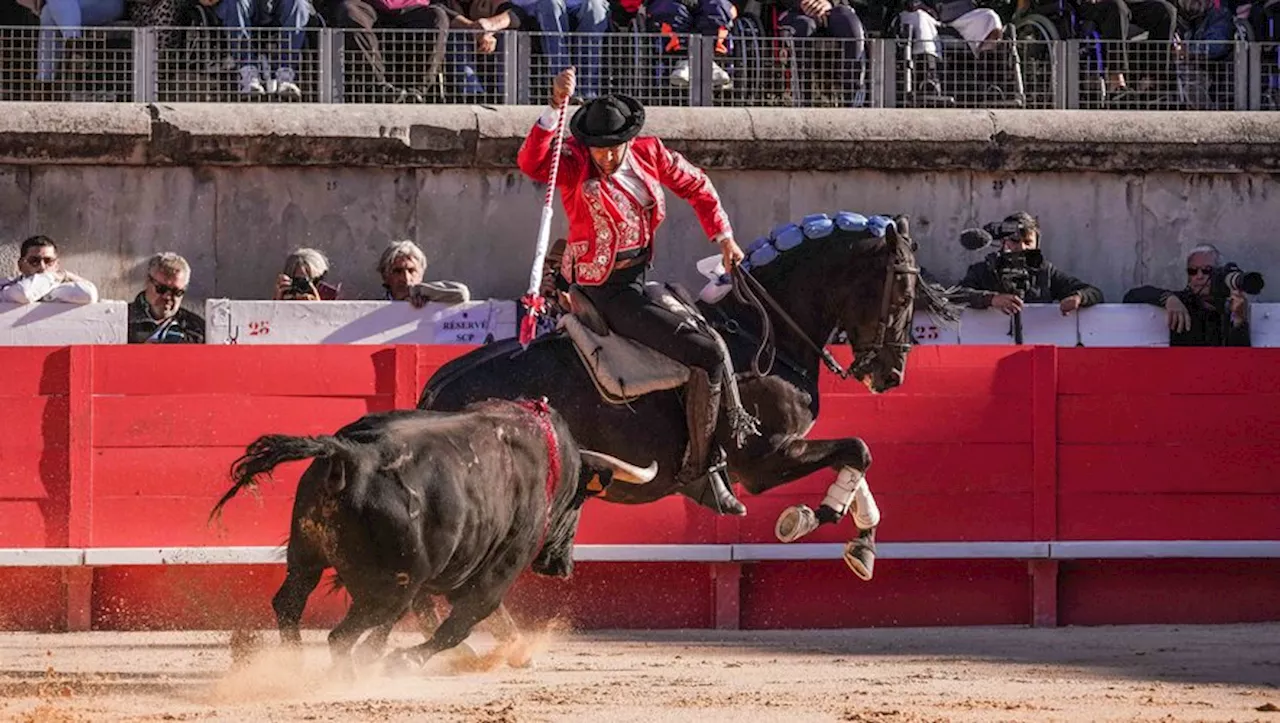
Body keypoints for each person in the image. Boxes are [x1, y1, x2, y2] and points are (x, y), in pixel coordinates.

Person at [516, 66, 760, 516]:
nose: (605, 159)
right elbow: (532, 163)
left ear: (629, 139)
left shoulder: (650, 153)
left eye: (612, 149)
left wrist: (723, 237)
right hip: (604, 289)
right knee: (707, 354)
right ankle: (700, 471)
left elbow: (697, 185)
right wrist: (553, 108)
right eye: (598, 150)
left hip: (639, 277)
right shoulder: (572, 161)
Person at [956, 211, 1103, 316]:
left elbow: (1093, 292)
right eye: (1015, 241)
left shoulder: (1045, 271)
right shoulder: (984, 270)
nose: (1022, 247)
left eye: (1027, 242)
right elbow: (957, 295)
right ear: (1003, 242)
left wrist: (1077, 298)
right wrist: (991, 299)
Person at [1122, 243, 1252, 346]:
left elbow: (1239, 359)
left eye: (1207, 270)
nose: (1199, 276)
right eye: (1192, 271)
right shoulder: (1182, 300)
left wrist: (1239, 320)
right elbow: (1131, 296)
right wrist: (1168, 298)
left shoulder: (1229, 306)